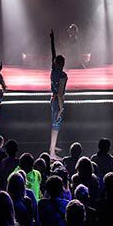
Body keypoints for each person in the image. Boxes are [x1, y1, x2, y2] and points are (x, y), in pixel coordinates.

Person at [49, 30, 68, 159]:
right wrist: (61, 109)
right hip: (57, 102)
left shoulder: (53, 70)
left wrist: (52, 39)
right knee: (56, 126)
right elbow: (60, 94)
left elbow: (53, 54)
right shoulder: (62, 75)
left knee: (54, 124)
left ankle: (52, 146)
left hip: (52, 99)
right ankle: (52, 153)